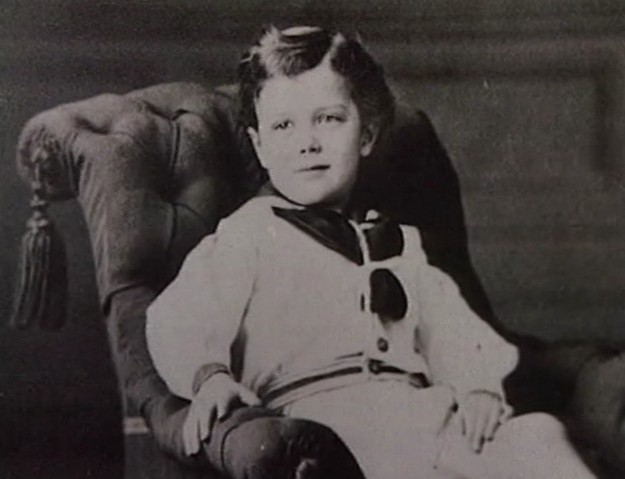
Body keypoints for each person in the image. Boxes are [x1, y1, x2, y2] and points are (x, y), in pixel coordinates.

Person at [146, 25, 596, 479]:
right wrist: (211, 377)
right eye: (284, 125)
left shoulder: (401, 243)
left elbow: (452, 331)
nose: (307, 142)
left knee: (537, 435)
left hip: (424, 414)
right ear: (260, 146)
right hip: (326, 426)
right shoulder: (250, 234)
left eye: (329, 119)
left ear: (366, 135)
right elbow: (182, 316)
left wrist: (478, 389)